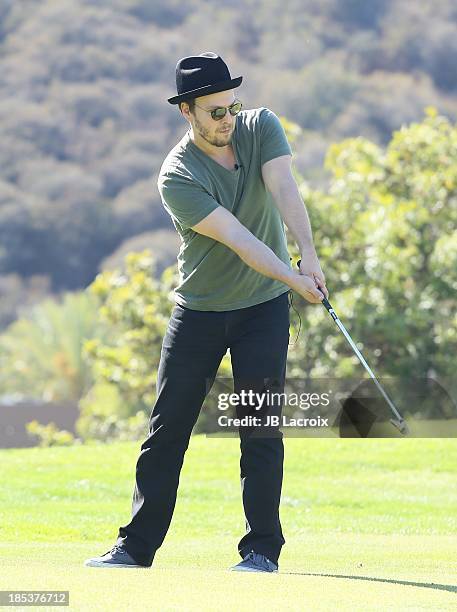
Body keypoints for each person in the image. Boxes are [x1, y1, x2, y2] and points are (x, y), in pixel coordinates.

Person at [85, 52, 329, 573]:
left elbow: (285, 189)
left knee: (260, 426)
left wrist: (309, 255)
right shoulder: (177, 176)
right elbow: (242, 242)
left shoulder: (261, 127)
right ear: (187, 112)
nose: (227, 120)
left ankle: (262, 549)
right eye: (214, 112)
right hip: (200, 310)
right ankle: (136, 547)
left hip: (262, 309)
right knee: (168, 427)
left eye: (231, 107)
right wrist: (294, 279)